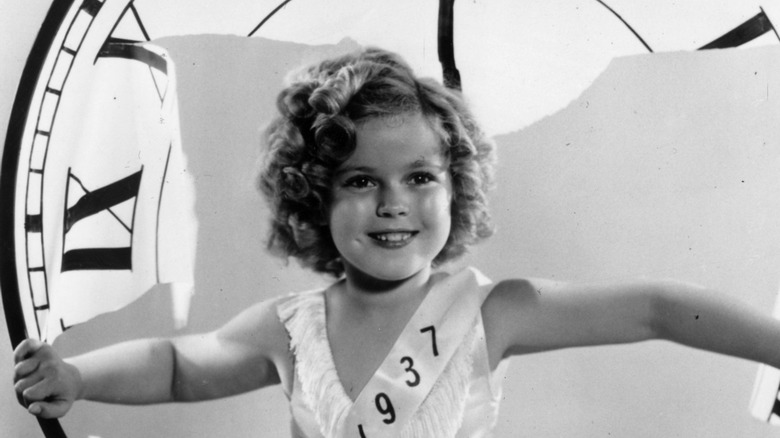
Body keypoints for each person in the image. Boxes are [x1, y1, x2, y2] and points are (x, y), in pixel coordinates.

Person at [12, 47, 780, 437]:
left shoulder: (492, 314)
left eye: (419, 178)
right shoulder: (289, 327)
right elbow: (180, 364)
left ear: (458, 186)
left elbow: (654, 307)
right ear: (312, 191)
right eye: (358, 181)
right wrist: (76, 376)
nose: (392, 205)